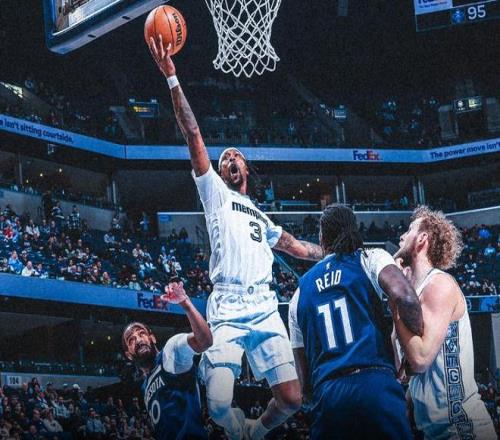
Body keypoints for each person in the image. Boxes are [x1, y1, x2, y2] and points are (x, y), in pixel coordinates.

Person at [148, 35, 325, 440]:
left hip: (264, 305)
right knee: (217, 403)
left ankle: (254, 433)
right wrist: (172, 77)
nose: (228, 158)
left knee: (292, 399)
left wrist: (332, 251)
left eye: (234, 156)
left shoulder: (262, 217)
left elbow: (298, 248)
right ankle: (234, 430)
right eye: (224, 156)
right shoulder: (215, 193)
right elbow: (193, 134)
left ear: (245, 168)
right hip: (227, 306)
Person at [288, 204, 423, 440]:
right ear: (354, 230)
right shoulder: (370, 258)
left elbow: (305, 382)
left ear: (322, 238)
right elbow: (406, 297)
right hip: (375, 385)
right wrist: (414, 349)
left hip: (328, 398)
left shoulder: (298, 294)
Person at [393, 206, 496, 440]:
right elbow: (403, 372)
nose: (402, 236)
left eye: (409, 230)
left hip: (462, 427)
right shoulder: (415, 293)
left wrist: (395, 296)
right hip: (435, 431)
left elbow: (420, 359)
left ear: (422, 239)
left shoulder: (439, 284)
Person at [122, 280, 212, 440]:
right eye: (131, 340)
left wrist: (186, 304)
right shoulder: (145, 387)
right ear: (129, 355)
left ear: (152, 338)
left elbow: (205, 341)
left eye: (141, 334)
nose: (138, 339)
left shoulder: (171, 351)